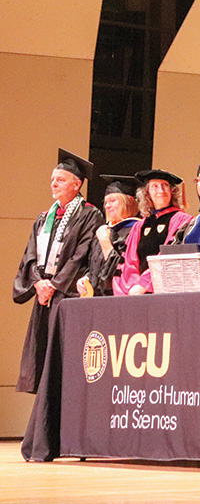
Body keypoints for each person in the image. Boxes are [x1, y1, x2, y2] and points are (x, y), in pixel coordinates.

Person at [13, 149, 103, 393]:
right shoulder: (44, 218)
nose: (54, 184)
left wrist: (54, 285)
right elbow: (30, 255)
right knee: (41, 362)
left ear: (77, 184)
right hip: (44, 295)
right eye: (53, 179)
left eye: (60, 180)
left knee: (62, 363)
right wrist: (37, 283)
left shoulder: (89, 214)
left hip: (66, 296)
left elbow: (82, 254)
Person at [114, 169, 194, 295]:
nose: (161, 191)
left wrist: (144, 284)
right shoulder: (139, 226)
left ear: (172, 192)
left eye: (165, 186)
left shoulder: (181, 220)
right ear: (147, 193)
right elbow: (129, 261)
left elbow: (168, 255)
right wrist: (132, 287)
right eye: (155, 187)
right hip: (137, 294)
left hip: (165, 291)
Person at [77, 176, 141, 297]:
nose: (107, 206)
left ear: (128, 202)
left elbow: (122, 270)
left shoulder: (134, 230)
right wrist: (85, 278)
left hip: (117, 298)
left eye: (113, 201)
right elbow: (93, 265)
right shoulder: (104, 231)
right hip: (96, 298)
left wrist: (105, 242)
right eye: (106, 202)